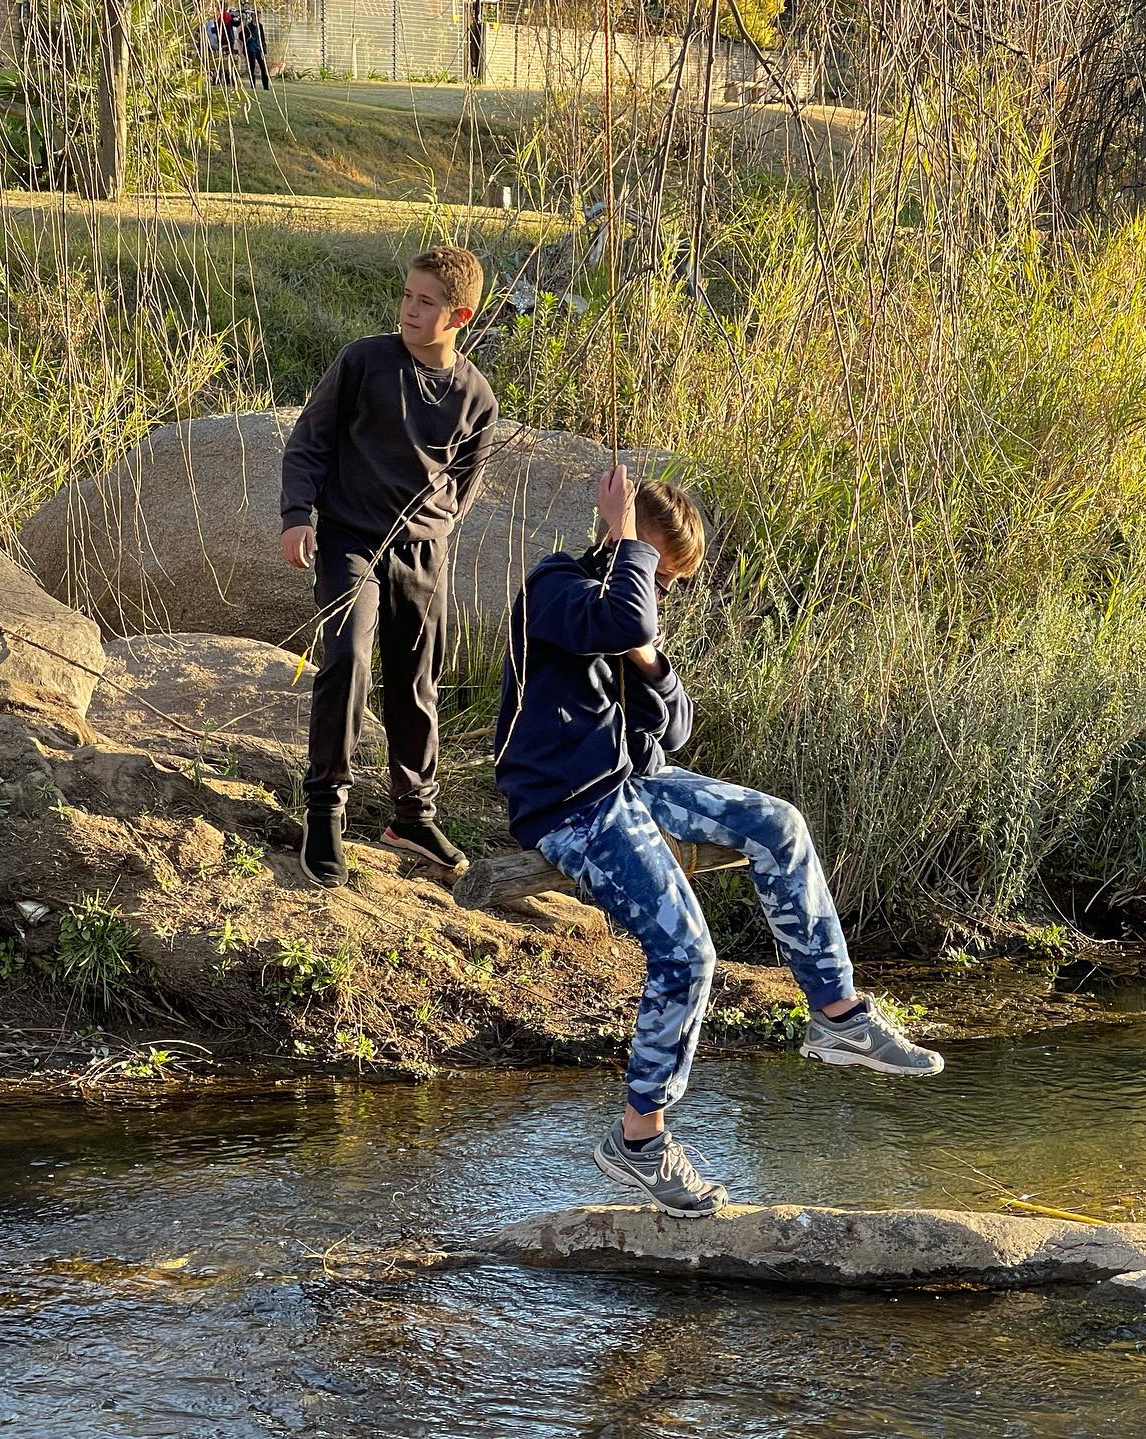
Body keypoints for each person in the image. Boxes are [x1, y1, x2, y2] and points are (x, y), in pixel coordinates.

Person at [494, 465, 944, 1218]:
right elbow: (623, 619)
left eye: (671, 582)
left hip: (635, 781)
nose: (662, 592)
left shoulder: (628, 613)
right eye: (660, 575)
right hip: (569, 803)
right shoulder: (557, 589)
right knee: (687, 953)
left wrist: (650, 662)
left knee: (780, 824)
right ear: (626, 543)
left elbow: (673, 729)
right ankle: (639, 1140)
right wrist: (629, 550)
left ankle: (838, 1017)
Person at [281, 245, 499, 888]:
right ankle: (326, 807)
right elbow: (308, 443)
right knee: (347, 656)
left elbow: (462, 488)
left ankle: (413, 815)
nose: (408, 309)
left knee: (416, 680)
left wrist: (431, 534)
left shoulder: (476, 397)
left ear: (459, 316)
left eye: (425, 302)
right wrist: (297, 515)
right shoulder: (363, 362)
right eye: (406, 295)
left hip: (422, 554)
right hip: (349, 541)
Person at [243, 12, 270, 90]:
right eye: (256, 16)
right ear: (253, 16)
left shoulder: (260, 26)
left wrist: (264, 50)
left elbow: (263, 38)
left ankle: (266, 86)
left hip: (259, 49)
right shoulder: (248, 26)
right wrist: (247, 37)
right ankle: (253, 86)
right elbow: (242, 36)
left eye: (259, 16)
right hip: (251, 49)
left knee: (263, 68)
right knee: (252, 68)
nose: (258, 18)